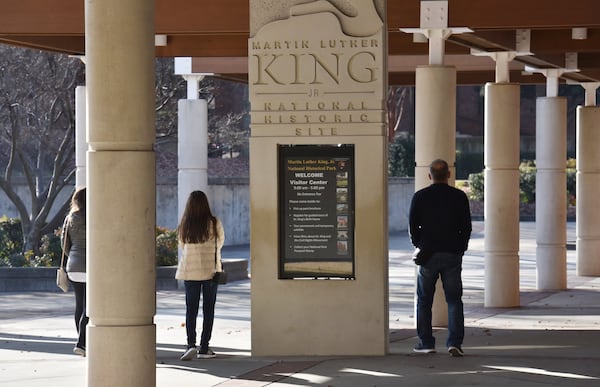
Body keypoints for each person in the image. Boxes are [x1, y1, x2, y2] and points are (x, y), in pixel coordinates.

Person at [408, 159, 472, 357]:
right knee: (454, 300)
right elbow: (466, 226)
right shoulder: (459, 197)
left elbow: (413, 226)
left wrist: (420, 245)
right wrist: (460, 247)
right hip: (452, 253)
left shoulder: (420, 197)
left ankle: (426, 342)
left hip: (428, 254)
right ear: (449, 174)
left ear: (429, 176)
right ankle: (455, 343)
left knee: (424, 300)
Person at [175, 190, 225, 360]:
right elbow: (221, 243)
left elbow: (182, 245)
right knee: (208, 310)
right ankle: (204, 347)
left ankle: (190, 345)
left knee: (191, 310)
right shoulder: (214, 222)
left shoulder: (185, 224)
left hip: (190, 272)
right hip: (210, 272)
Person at [61, 187, 88, 357]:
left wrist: (71, 256)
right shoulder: (96, 216)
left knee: (80, 304)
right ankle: (82, 342)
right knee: (89, 306)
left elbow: (64, 243)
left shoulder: (70, 218)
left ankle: (82, 339)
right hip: (91, 266)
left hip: (73, 266)